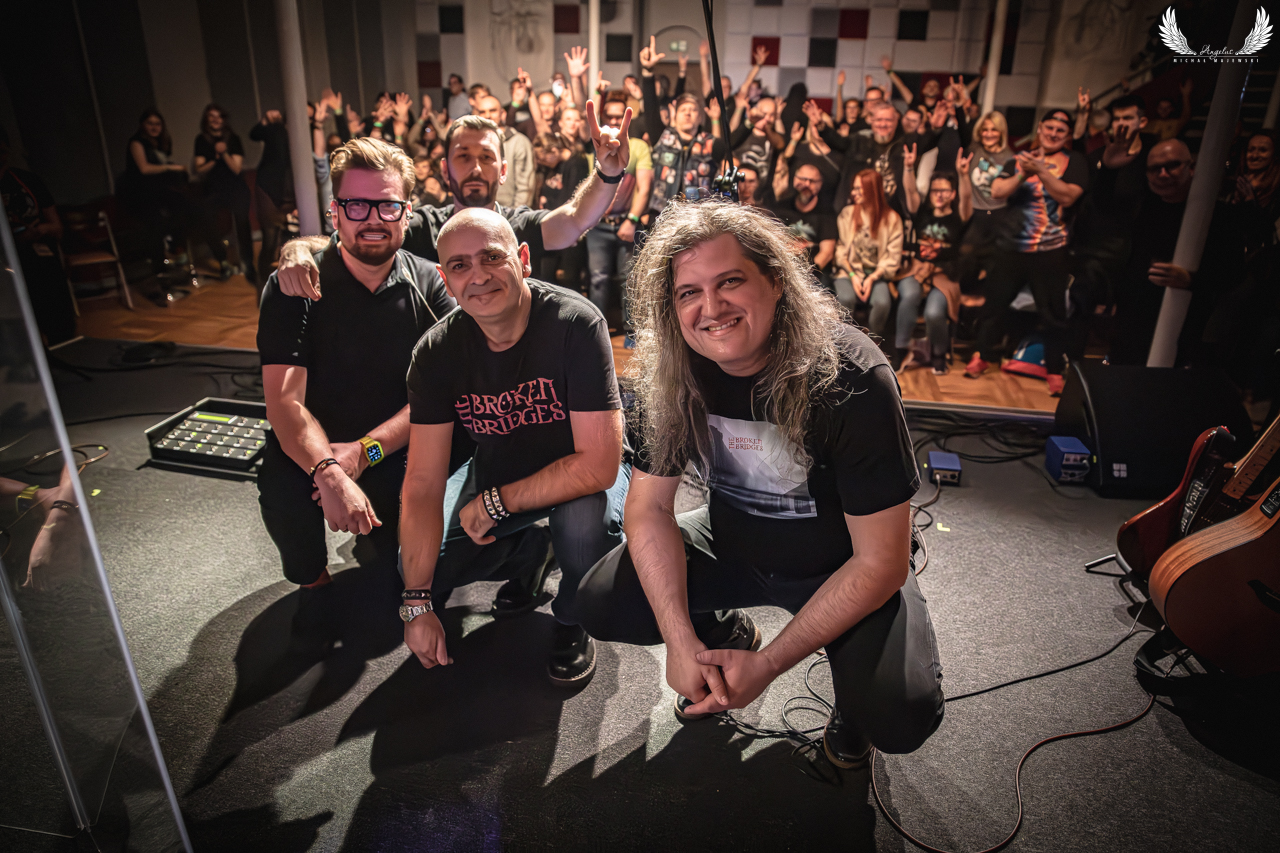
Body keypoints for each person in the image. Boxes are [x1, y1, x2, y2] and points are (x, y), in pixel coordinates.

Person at [576, 200, 943, 768]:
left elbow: (881, 562)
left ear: (775, 281)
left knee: (897, 712)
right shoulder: (670, 374)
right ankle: (724, 636)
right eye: (688, 292)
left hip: (842, 562)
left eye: (730, 281)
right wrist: (681, 639)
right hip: (732, 544)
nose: (711, 307)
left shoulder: (852, 376)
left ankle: (854, 707)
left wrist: (769, 666)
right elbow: (648, 511)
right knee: (601, 601)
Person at [400, 207, 630, 686]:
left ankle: (572, 615)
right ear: (445, 279)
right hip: (500, 472)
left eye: (491, 257)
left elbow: (598, 466)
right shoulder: (436, 352)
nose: (478, 275)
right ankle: (534, 553)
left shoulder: (575, 322)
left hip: (582, 477)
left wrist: (497, 502)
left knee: (583, 527)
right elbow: (422, 481)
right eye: (460, 266)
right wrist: (416, 603)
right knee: (416, 563)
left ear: (523, 258)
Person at [256, 137, 459, 643]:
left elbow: (438, 399)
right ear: (335, 212)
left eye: (387, 205)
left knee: (414, 567)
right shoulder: (296, 284)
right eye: (357, 205)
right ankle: (315, 584)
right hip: (314, 446)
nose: (372, 218)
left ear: (407, 212)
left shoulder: (429, 286)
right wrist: (328, 469)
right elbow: (285, 403)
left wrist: (364, 454)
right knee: (280, 483)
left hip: (391, 447)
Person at [273, 108, 632, 297]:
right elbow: (354, 240)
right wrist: (298, 249)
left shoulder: (517, 226)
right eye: (463, 156)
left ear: (503, 170)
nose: (475, 168)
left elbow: (574, 220)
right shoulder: (423, 226)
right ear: (445, 170)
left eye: (486, 157)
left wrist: (608, 172)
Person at [965, 109, 1088, 394]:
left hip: (1050, 249)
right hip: (1010, 246)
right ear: (1040, 128)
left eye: (1060, 130)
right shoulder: (1018, 159)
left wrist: (1042, 171)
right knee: (994, 306)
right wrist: (1024, 172)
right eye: (1049, 127)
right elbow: (997, 190)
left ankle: (1054, 369)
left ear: (1067, 135)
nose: (1053, 134)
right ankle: (983, 355)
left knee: (1054, 314)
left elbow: (1068, 196)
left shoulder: (1075, 162)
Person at [902, 147, 973, 374]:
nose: (939, 195)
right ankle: (900, 350)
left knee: (934, 313)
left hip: (944, 274)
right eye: (935, 191)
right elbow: (910, 191)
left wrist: (963, 175)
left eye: (944, 191)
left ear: (952, 193)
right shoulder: (922, 212)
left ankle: (939, 353)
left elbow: (967, 198)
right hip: (917, 270)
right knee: (908, 296)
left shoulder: (958, 216)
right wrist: (908, 168)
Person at [1, 128, 75, 344]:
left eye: (2, 151)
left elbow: (56, 227)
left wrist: (40, 230)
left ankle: (63, 344)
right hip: (6, 264)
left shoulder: (28, 180)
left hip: (39, 254)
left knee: (57, 313)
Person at [585, 93, 654, 321]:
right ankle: (595, 330)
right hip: (597, 225)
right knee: (598, 279)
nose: (615, 121)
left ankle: (631, 332)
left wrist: (632, 220)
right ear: (603, 117)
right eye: (610, 116)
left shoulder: (638, 147)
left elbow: (644, 188)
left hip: (626, 220)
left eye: (619, 116)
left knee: (630, 280)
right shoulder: (594, 144)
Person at [639, 36, 726, 213]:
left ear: (700, 117)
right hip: (661, 214)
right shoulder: (663, 137)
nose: (687, 113)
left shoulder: (709, 143)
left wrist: (717, 119)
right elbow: (650, 108)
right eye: (683, 109)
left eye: (693, 110)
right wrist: (648, 71)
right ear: (675, 115)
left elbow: (723, 149)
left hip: (697, 218)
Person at [117, 109, 196, 276]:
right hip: (140, 194)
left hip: (157, 191)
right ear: (143, 125)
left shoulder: (161, 144)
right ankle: (161, 270)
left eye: (157, 124)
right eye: (150, 123)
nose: (154, 127)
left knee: (188, 206)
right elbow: (144, 169)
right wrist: (170, 167)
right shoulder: (136, 142)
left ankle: (175, 248)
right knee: (156, 224)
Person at [833, 169, 904, 335]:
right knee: (845, 299)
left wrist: (872, 278)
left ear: (872, 190)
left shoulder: (892, 219)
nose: (853, 193)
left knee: (882, 303)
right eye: (854, 188)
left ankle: (873, 343)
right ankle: (845, 343)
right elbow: (840, 251)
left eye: (859, 189)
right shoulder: (848, 214)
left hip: (877, 274)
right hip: (849, 272)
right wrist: (853, 276)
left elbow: (892, 258)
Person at [193, 104, 253, 282]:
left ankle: (247, 263)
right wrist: (215, 157)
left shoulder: (233, 139)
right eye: (211, 116)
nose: (215, 119)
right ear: (206, 120)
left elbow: (236, 169)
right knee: (205, 218)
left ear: (224, 119)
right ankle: (223, 262)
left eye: (218, 116)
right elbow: (199, 169)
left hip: (235, 187)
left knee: (242, 221)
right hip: (213, 189)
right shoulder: (201, 140)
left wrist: (224, 152)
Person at [957, 111, 1014, 295]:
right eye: (985, 130)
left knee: (994, 262)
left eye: (993, 130)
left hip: (999, 214)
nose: (988, 134)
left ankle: (984, 299)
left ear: (1001, 132)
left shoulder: (1010, 158)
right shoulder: (974, 150)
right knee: (966, 256)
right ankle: (964, 297)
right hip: (974, 212)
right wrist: (959, 105)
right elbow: (962, 128)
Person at [768, 163, 837, 287]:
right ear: (795, 180)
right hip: (784, 268)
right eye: (803, 179)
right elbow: (773, 243)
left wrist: (807, 275)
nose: (807, 184)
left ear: (820, 184)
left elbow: (827, 253)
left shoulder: (827, 213)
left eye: (812, 181)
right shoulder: (782, 208)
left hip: (815, 272)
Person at [249, 109, 295, 276]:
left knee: (291, 240)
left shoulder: (307, 137)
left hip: (294, 193)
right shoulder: (278, 130)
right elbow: (254, 135)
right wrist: (266, 121)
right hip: (271, 189)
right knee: (270, 238)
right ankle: (264, 280)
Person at [476, 95, 535, 209]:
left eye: (492, 111)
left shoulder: (519, 142)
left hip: (509, 213)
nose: (487, 115)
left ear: (502, 113)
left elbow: (525, 187)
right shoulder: (473, 144)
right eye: (482, 112)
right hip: (480, 211)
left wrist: (515, 216)